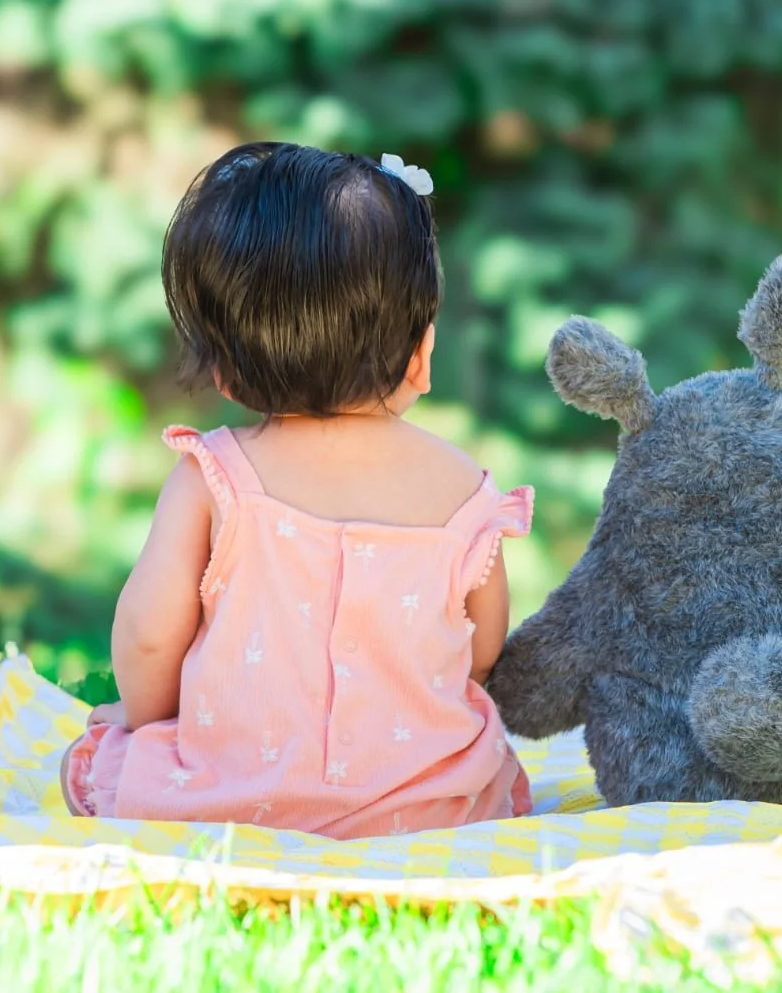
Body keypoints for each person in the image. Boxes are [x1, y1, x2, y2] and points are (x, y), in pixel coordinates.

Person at [60, 142, 535, 837]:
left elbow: (149, 641)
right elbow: (482, 650)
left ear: (226, 370)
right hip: (430, 811)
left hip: (230, 805)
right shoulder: (466, 490)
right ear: (421, 354)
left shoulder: (215, 477)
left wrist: (142, 722)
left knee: (90, 762)